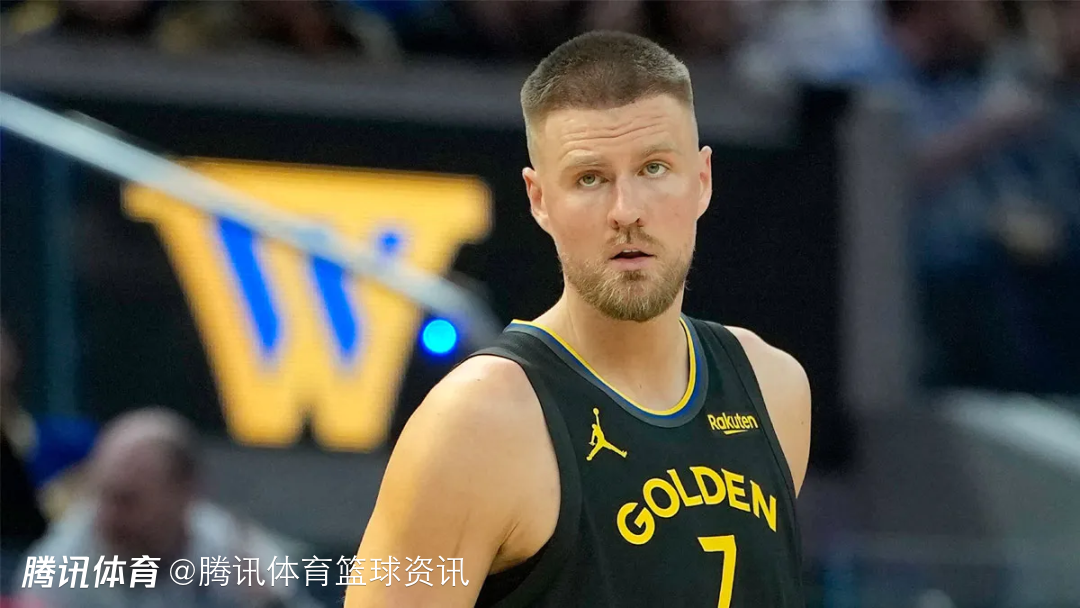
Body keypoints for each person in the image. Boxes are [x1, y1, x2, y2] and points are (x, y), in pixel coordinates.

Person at [346, 31, 811, 608]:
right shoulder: (476, 423)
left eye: (654, 168)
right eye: (590, 178)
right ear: (539, 199)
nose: (627, 212)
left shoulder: (774, 388)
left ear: (702, 181)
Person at [18, 407, 318, 608]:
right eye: (101, 496)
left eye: (127, 499)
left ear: (185, 492)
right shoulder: (60, 563)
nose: (107, 516)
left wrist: (268, 604)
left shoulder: (234, 555)